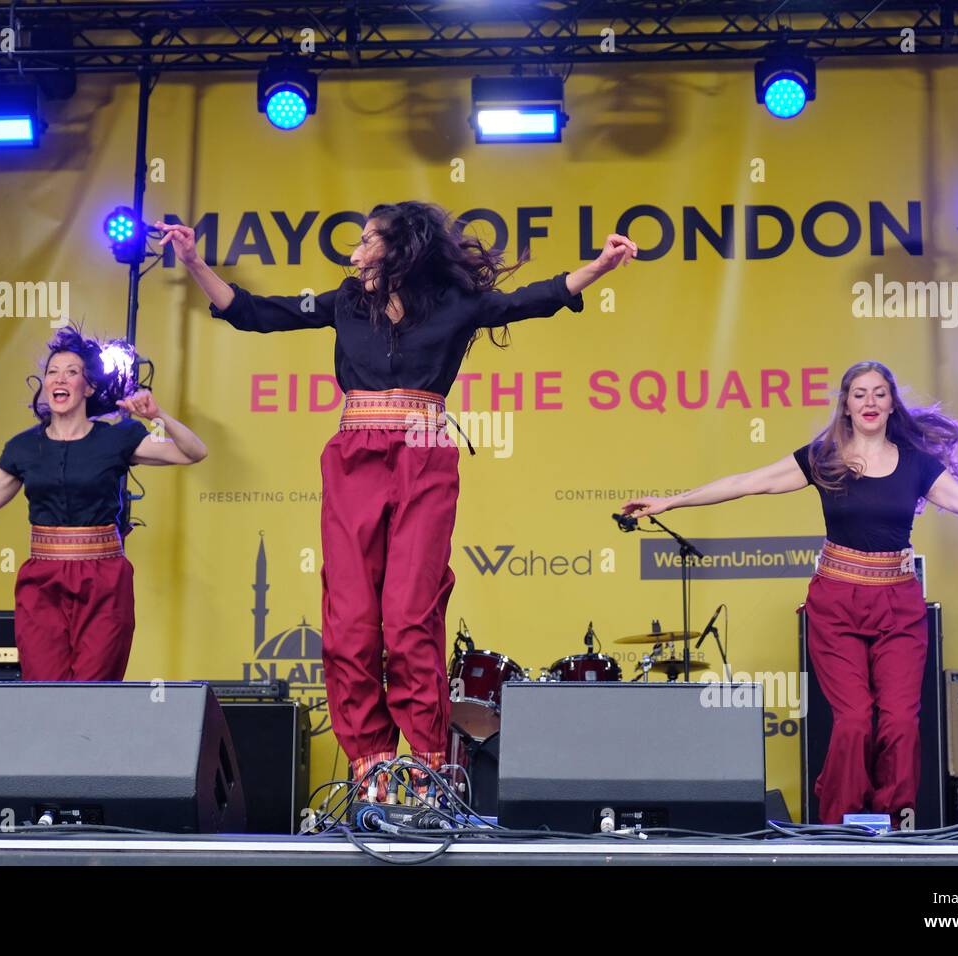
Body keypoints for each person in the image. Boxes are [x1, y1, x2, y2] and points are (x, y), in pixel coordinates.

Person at [158, 201, 637, 799]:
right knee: (349, 623)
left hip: (424, 452)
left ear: (399, 248)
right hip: (355, 456)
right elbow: (255, 312)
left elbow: (531, 299)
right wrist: (195, 263)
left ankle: (430, 766)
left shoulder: (454, 304)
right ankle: (372, 770)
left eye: (365, 241)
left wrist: (598, 267)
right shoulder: (345, 302)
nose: (354, 252)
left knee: (411, 617)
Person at [622, 360, 958, 825]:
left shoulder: (917, 465)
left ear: (892, 404)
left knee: (900, 724)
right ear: (846, 406)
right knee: (852, 723)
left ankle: (891, 823)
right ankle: (842, 826)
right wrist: (671, 501)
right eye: (859, 394)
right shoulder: (824, 456)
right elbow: (749, 482)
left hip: (898, 607)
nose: (870, 401)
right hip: (836, 604)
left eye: (879, 393)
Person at [0, 326, 208, 681]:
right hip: (42, 581)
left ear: (89, 387)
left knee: (92, 694)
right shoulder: (23, 448)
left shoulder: (116, 439)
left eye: (71, 372)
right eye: (52, 372)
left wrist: (157, 416)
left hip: (104, 581)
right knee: (44, 691)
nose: (58, 379)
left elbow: (194, 452)